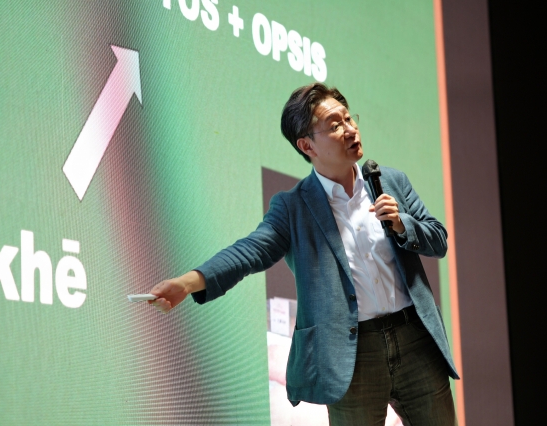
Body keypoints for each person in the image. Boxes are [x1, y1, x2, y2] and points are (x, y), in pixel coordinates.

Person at [148, 83, 459, 425]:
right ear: (307, 145)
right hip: (351, 355)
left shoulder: (390, 182)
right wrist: (190, 282)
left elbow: (438, 240)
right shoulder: (293, 207)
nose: (351, 129)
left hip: (415, 339)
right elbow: (251, 250)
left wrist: (403, 226)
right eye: (335, 124)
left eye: (349, 118)